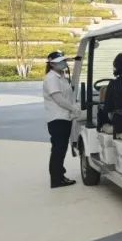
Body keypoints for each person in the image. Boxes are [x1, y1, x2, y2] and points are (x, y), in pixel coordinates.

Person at [42, 51, 80, 189]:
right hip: (57, 118)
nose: (64, 63)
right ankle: (57, 179)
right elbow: (58, 99)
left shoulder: (61, 76)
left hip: (64, 118)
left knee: (61, 149)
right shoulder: (51, 78)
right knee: (58, 149)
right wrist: (73, 108)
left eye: (64, 61)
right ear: (52, 64)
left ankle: (59, 176)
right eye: (60, 61)